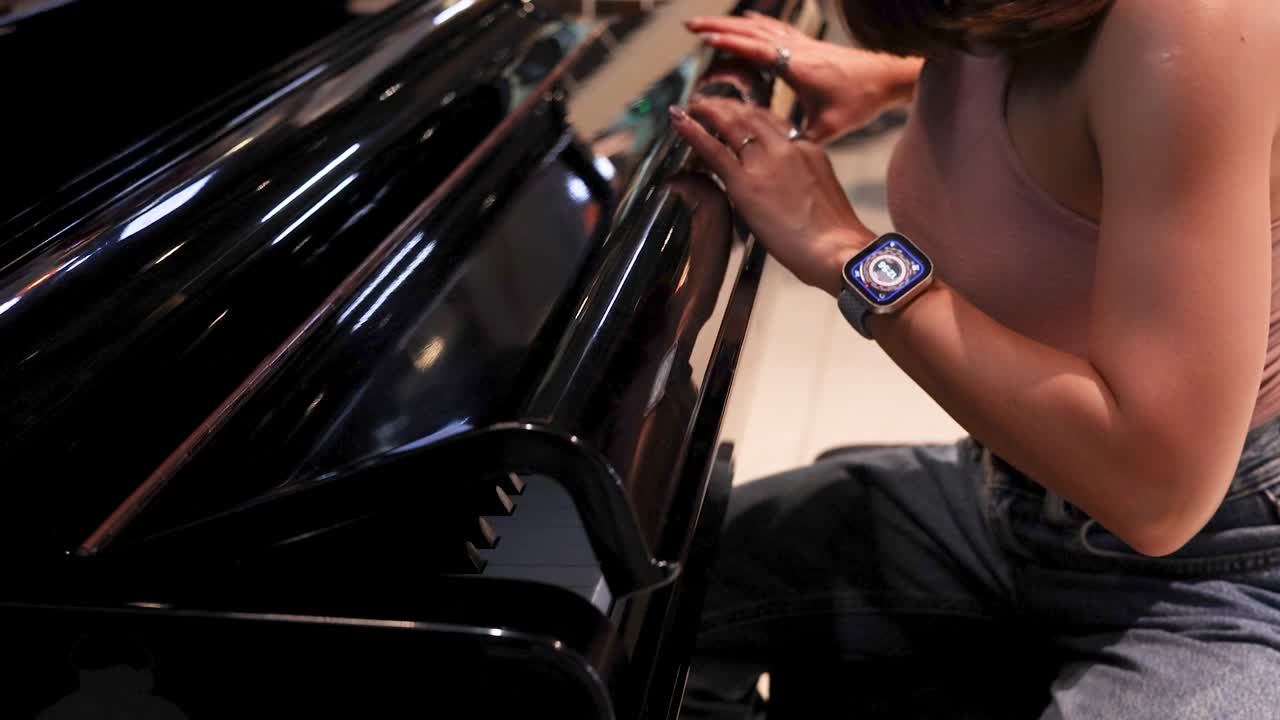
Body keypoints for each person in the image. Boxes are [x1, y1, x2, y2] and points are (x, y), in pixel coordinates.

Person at [669, 1, 1280, 717]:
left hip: (1227, 565)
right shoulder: (997, 20)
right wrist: (898, 74)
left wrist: (847, 253)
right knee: (643, 609)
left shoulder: (1196, 25)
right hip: (1013, 498)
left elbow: (1157, 497)